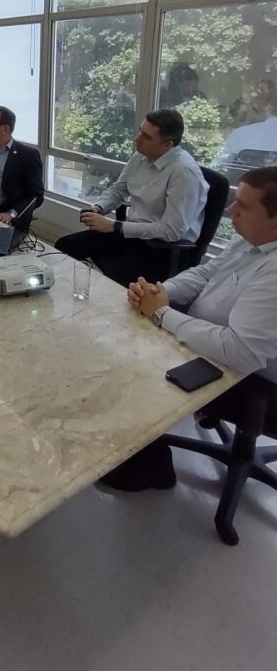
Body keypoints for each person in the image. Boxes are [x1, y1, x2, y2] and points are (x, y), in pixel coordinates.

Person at [101, 166, 277, 491]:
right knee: (126, 332)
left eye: (244, 206)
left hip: (254, 380)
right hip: (215, 336)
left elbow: (240, 352)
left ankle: (152, 467)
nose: (230, 210)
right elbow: (206, 272)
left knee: (138, 364)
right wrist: (161, 291)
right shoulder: (251, 240)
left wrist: (161, 314)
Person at [56, 109, 208, 287]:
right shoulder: (140, 156)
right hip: (132, 234)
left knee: (113, 280)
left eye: (146, 137)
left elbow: (172, 231)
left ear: (167, 145)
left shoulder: (183, 172)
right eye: (140, 131)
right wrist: (99, 207)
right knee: (65, 246)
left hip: (162, 248)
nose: (137, 139)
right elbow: (119, 190)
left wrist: (115, 226)